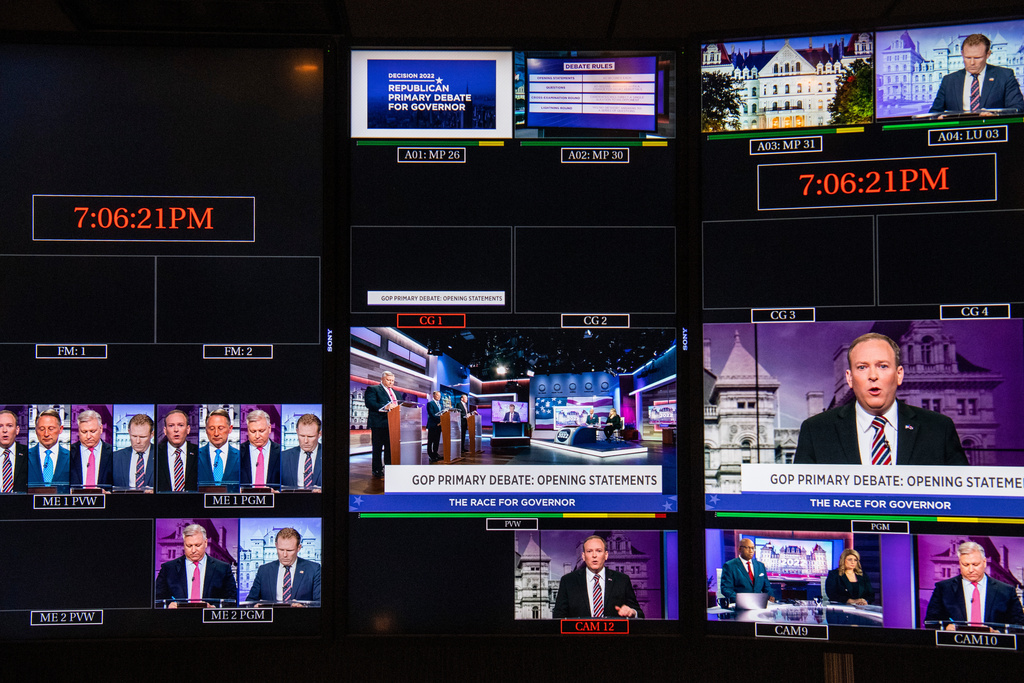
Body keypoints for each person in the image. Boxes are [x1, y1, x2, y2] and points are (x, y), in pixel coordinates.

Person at [794, 333, 968, 466]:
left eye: (883, 366)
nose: (873, 376)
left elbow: (962, 497)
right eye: (862, 367)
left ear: (899, 375)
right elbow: (802, 500)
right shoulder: (816, 431)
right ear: (849, 378)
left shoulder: (939, 429)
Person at [925, 541, 1024, 630]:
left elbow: (1019, 625)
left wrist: (998, 632)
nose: (971, 570)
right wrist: (945, 627)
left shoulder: (1006, 591)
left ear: (984, 563)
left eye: (975, 564)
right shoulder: (943, 589)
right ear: (960, 563)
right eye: (966, 565)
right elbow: (930, 622)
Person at [552, 535, 643, 619]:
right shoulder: (568, 581)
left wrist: (633, 613)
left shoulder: (622, 580)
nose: (594, 555)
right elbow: (558, 617)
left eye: (599, 551)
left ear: (606, 555)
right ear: (583, 556)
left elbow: (640, 614)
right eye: (589, 551)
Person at [930, 34, 1024, 114]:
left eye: (977, 58)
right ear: (962, 54)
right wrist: (938, 117)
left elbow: (1018, 108)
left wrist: (995, 115)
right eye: (967, 58)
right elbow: (934, 112)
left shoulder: (1005, 76)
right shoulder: (948, 80)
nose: (972, 63)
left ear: (988, 54)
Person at [155, 523, 237, 608]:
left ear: (205, 543)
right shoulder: (168, 569)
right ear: (184, 544)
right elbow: (156, 598)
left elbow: (232, 600)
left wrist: (214, 608)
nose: (193, 550)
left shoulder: (223, 569)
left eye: (197, 545)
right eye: (189, 546)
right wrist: (168, 605)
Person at [245, 527, 321, 605]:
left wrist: (305, 607)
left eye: (289, 550)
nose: (284, 555)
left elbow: (320, 603)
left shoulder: (314, 569)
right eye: (281, 550)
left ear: (298, 548)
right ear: (276, 546)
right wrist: (255, 606)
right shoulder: (263, 570)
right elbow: (250, 601)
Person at [364, 371, 399, 478]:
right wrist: (386, 406)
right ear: (382, 379)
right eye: (388, 380)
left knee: (390, 448)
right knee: (378, 448)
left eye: (392, 380)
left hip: (393, 424)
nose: (391, 382)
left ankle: (389, 468)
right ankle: (377, 469)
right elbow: (370, 403)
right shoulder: (373, 389)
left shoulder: (397, 393)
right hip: (379, 424)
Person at [720, 538, 775, 603]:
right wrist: (742, 600)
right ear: (739, 549)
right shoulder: (730, 566)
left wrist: (770, 595)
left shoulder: (760, 566)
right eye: (748, 548)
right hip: (739, 604)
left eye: (753, 548)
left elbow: (767, 586)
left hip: (758, 604)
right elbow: (726, 589)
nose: (751, 551)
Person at [69, 409, 113, 489]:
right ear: (78, 431)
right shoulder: (69, 452)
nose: (88, 436)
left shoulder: (112, 453)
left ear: (101, 429)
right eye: (84, 432)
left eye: (92, 431)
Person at [156, 409, 199, 492]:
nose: (176, 430)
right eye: (171, 426)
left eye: (181, 425)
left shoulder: (198, 453)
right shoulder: (156, 453)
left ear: (188, 429)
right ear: (165, 430)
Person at [197, 408, 240, 490]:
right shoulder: (196, 456)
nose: (216, 433)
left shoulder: (240, 457)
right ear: (206, 430)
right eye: (211, 428)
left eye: (221, 428)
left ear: (230, 429)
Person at [27, 409, 70, 490]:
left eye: (51, 429)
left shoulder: (71, 458)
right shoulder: (25, 457)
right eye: (42, 429)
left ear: (60, 429)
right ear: (36, 430)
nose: (46, 434)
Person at [112, 413, 156, 490]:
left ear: (152, 434)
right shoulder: (115, 458)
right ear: (129, 432)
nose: (138, 441)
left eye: (143, 437)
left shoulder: (162, 455)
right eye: (134, 436)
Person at [240, 409, 280, 488]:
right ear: (248, 430)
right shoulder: (239, 452)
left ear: (269, 428)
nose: (257, 436)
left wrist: (278, 492)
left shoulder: (280, 452)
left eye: (261, 431)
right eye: (253, 431)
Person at [281, 413, 322, 490]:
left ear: (319, 434)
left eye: (310, 436)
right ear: (297, 432)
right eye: (302, 436)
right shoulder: (283, 457)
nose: (305, 441)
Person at [0, 409, 28, 493]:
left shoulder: (28, 454)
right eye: (0, 426)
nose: (5, 430)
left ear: (17, 430)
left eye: (9, 426)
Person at [426, 391, 443, 462]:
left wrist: (442, 421)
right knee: (431, 441)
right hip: (433, 425)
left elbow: (442, 414)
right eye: (438, 395)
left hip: (439, 425)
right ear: (434, 396)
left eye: (440, 396)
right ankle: (431, 455)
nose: (439, 397)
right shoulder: (430, 404)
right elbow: (432, 414)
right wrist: (440, 420)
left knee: (437, 441)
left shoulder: (440, 405)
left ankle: (435, 453)